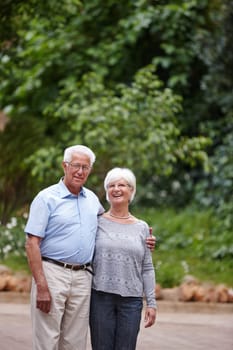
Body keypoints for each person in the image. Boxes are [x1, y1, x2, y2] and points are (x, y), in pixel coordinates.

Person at [25, 145, 156, 350]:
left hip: (83, 278)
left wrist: (144, 238)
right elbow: (32, 243)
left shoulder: (92, 201)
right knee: (47, 340)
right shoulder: (46, 198)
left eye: (85, 167)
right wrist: (41, 285)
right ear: (64, 166)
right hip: (53, 274)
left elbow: (114, 226)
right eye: (76, 165)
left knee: (75, 342)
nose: (80, 171)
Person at [90, 167, 157, 350]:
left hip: (131, 301)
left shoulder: (142, 227)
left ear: (131, 191)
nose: (116, 189)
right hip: (100, 297)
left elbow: (147, 268)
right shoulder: (96, 221)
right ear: (106, 192)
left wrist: (151, 303)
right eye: (111, 185)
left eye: (122, 185)